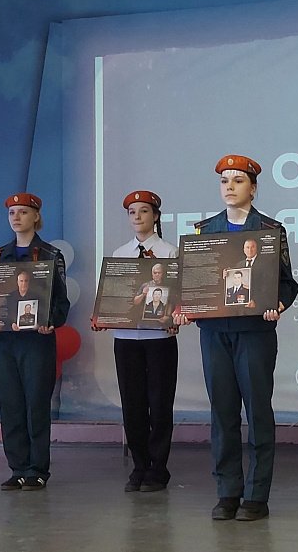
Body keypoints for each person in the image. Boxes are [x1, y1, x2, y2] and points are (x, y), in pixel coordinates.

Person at [174, 154, 298, 521]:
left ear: (253, 188)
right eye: (224, 181)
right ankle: (227, 491)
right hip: (215, 333)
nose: (229, 187)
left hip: (255, 332)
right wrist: (184, 307)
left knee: (258, 411)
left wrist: (278, 303)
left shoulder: (270, 230)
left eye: (238, 180)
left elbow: (287, 283)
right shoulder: (204, 231)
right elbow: (194, 283)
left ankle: (256, 495)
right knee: (222, 412)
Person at [93, 190, 179, 493]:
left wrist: (175, 313)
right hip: (126, 338)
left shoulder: (170, 252)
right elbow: (115, 297)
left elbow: (178, 294)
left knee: (160, 403)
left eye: (143, 211)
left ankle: (159, 468)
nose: (138, 217)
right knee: (132, 403)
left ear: (155, 216)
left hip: (159, 338)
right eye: (132, 212)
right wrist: (103, 314)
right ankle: (140, 466)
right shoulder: (120, 254)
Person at [0, 193, 70, 491]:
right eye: (12, 213)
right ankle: (17, 467)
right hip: (6, 342)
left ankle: (37, 469)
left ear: (36, 216)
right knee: (10, 405)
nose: (16, 217)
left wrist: (51, 321)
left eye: (23, 212)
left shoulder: (50, 255)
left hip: (36, 342)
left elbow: (61, 302)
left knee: (36, 404)